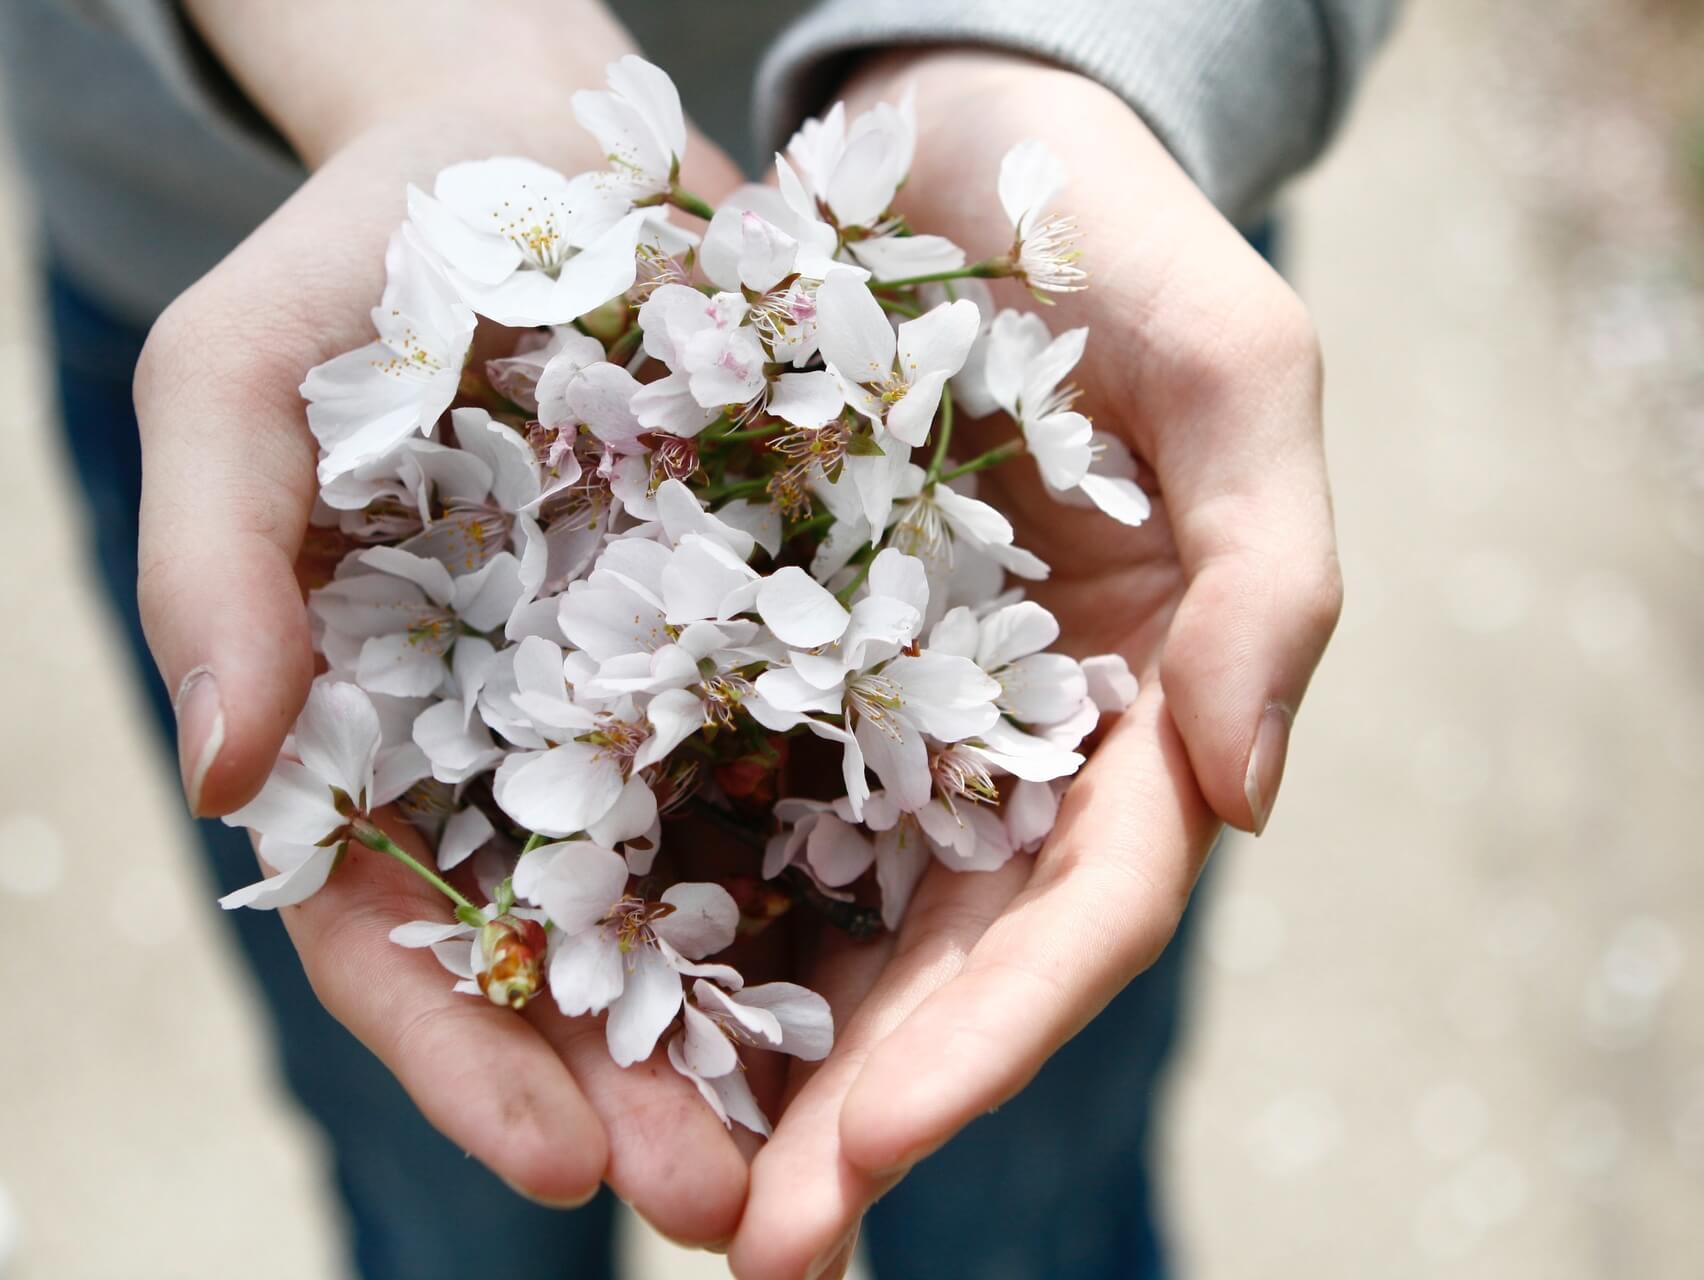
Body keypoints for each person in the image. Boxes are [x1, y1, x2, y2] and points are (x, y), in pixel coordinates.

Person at [0, 2, 1395, 1276]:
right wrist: (431, 52)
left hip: (1078, 151)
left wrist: (1080, 57)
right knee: (447, 1197)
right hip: (247, 256)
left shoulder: (903, 435)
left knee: (1025, 1203)